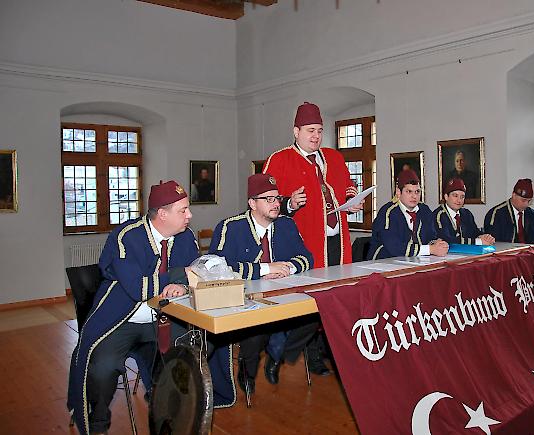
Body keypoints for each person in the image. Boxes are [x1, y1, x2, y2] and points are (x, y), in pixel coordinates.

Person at [68, 180, 234, 435]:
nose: (190, 215)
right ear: (163, 214)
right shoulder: (126, 236)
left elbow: (198, 274)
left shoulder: (185, 237)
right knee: (102, 365)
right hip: (123, 319)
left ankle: (168, 409)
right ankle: (97, 423)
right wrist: (181, 275)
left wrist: (185, 285)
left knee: (197, 348)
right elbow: (138, 288)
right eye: (183, 210)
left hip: (165, 319)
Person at [262, 102, 364, 375]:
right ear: (295, 131)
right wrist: (289, 203)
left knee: (336, 298)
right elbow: (263, 202)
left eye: (319, 130)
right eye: (310, 130)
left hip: (336, 240)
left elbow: (347, 184)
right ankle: (296, 353)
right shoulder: (279, 160)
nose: (316, 136)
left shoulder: (333, 156)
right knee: (308, 303)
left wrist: (353, 198)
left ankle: (332, 352)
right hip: (303, 243)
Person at [209, 174, 316, 394]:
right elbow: (216, 268)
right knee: (256, 332)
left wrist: (287, 267)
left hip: (285, 296)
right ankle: (247, 372)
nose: (277, 204)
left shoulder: (287, 224)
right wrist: (265, 269)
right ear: (252, 203)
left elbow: (307, 258)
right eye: (268, 199)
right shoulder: (230, 227)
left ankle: (277, 356)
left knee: (314, 317)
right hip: (248, 301)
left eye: (277, 198)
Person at [368, 169, 448, 259]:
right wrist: (430, 249)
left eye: (417, 192)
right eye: (409, 191)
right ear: (398, 192)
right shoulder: (388, 212)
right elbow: (394, 247)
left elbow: (431, 237)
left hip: (413, 261)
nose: (414, 196)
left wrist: (438, 244)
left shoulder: (424, 210)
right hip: (382, 263)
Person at [434, 178, 495, 245]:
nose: (459, 200)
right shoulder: (439, 215)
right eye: (455, 196)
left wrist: (484, 237)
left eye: (462, 197)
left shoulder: (466, 214)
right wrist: (478, 241)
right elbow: (446, 240)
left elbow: (475, 233)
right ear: (446, 197)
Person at [483, 178, 534, 244]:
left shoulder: (533, 215)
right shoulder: (497, 214)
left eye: (529, 201)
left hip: (529, 253)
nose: (526, 204)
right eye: (523, 200)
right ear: (514, 195)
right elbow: (492, 242)